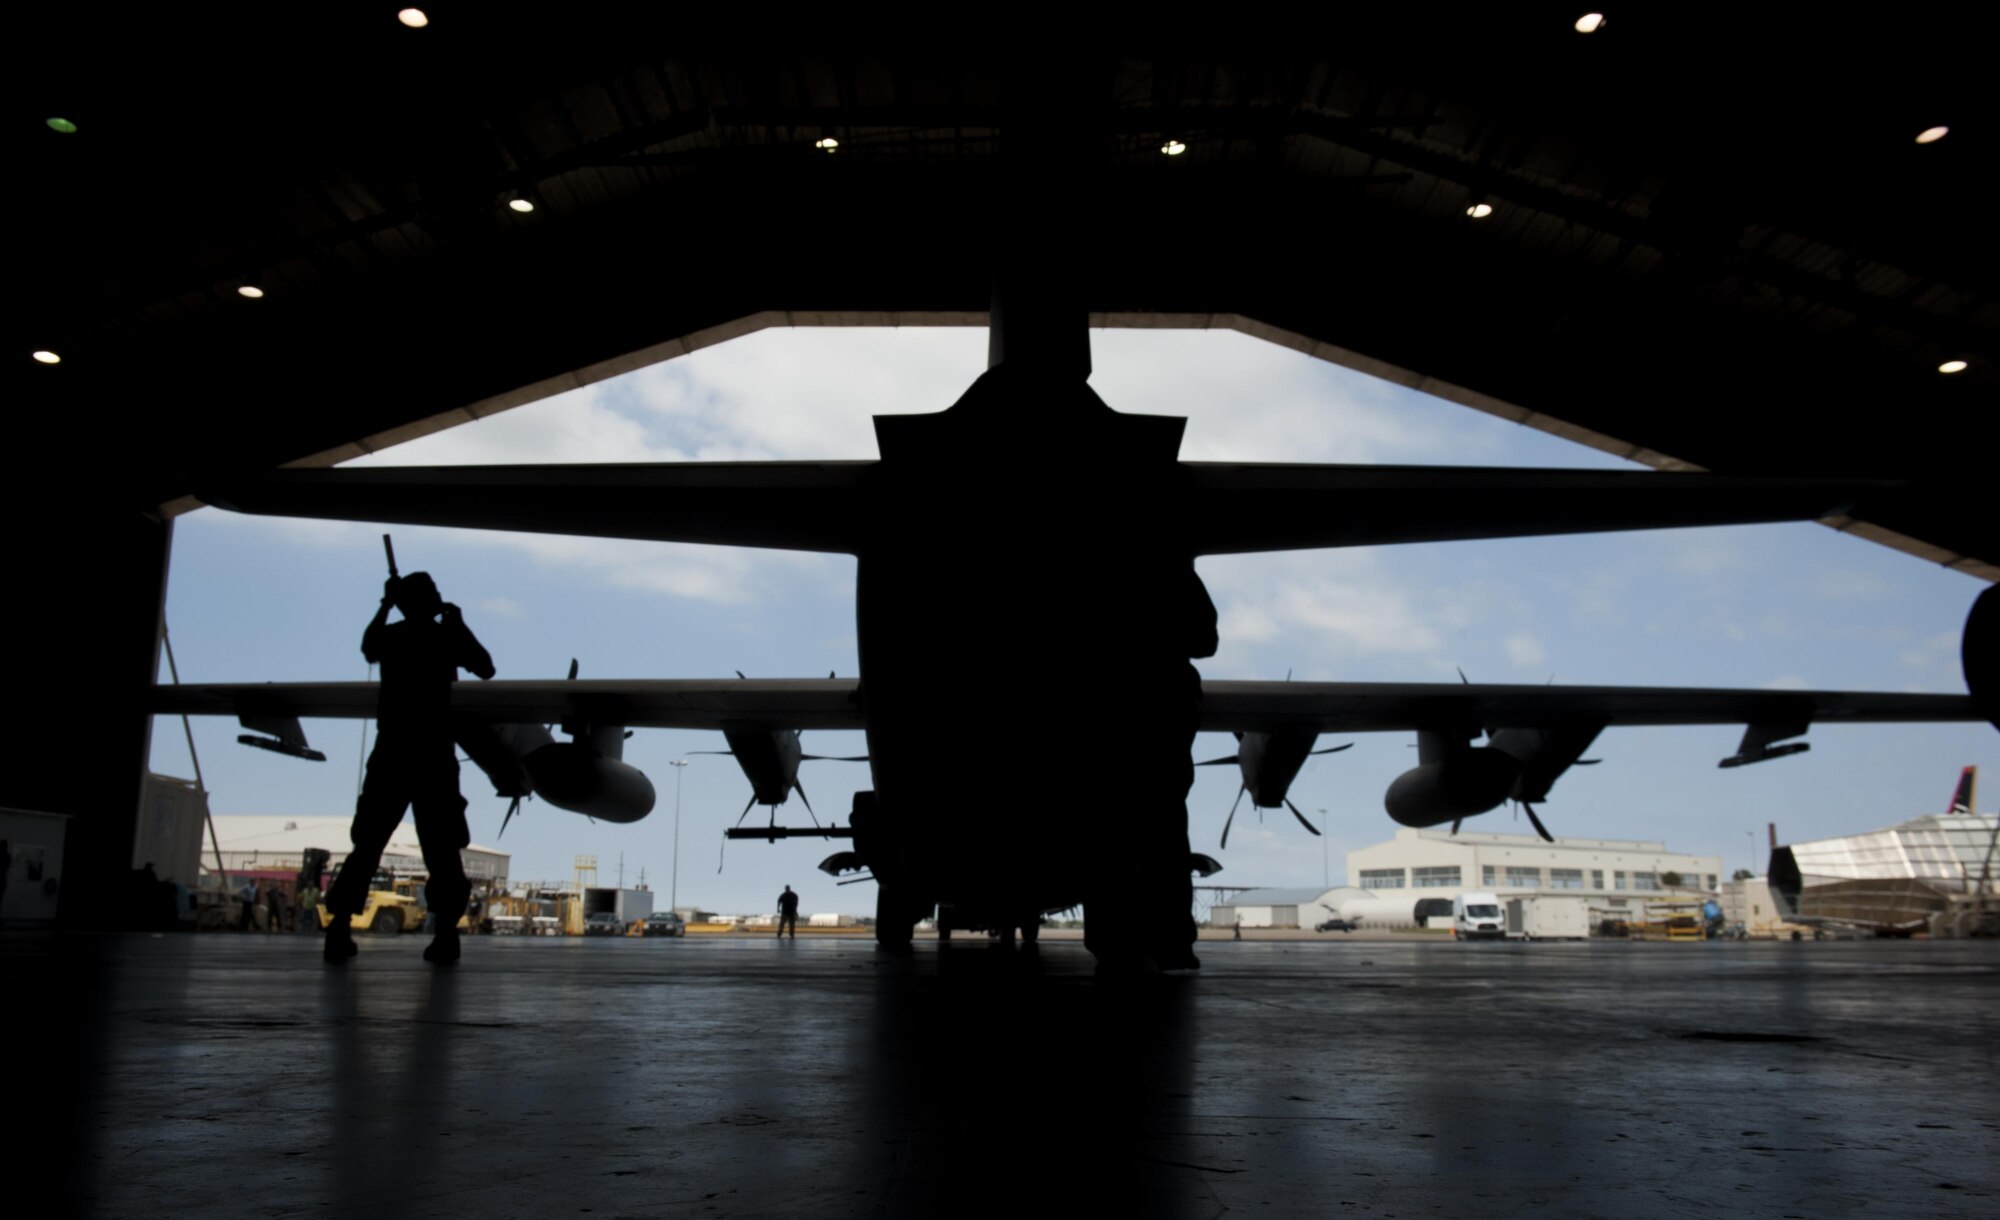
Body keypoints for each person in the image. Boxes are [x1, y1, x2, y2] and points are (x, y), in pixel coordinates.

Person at [323, 571, 495, 965]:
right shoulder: (444, 636)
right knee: (442, 848)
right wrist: (459, 624)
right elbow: (485, 667)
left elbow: (367, 646)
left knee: (366, 844)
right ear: (430, 600)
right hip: (433, 755)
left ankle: (339, 927)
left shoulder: (392, 636)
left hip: (391, 753)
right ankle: (447, 933)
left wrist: (385, 603)